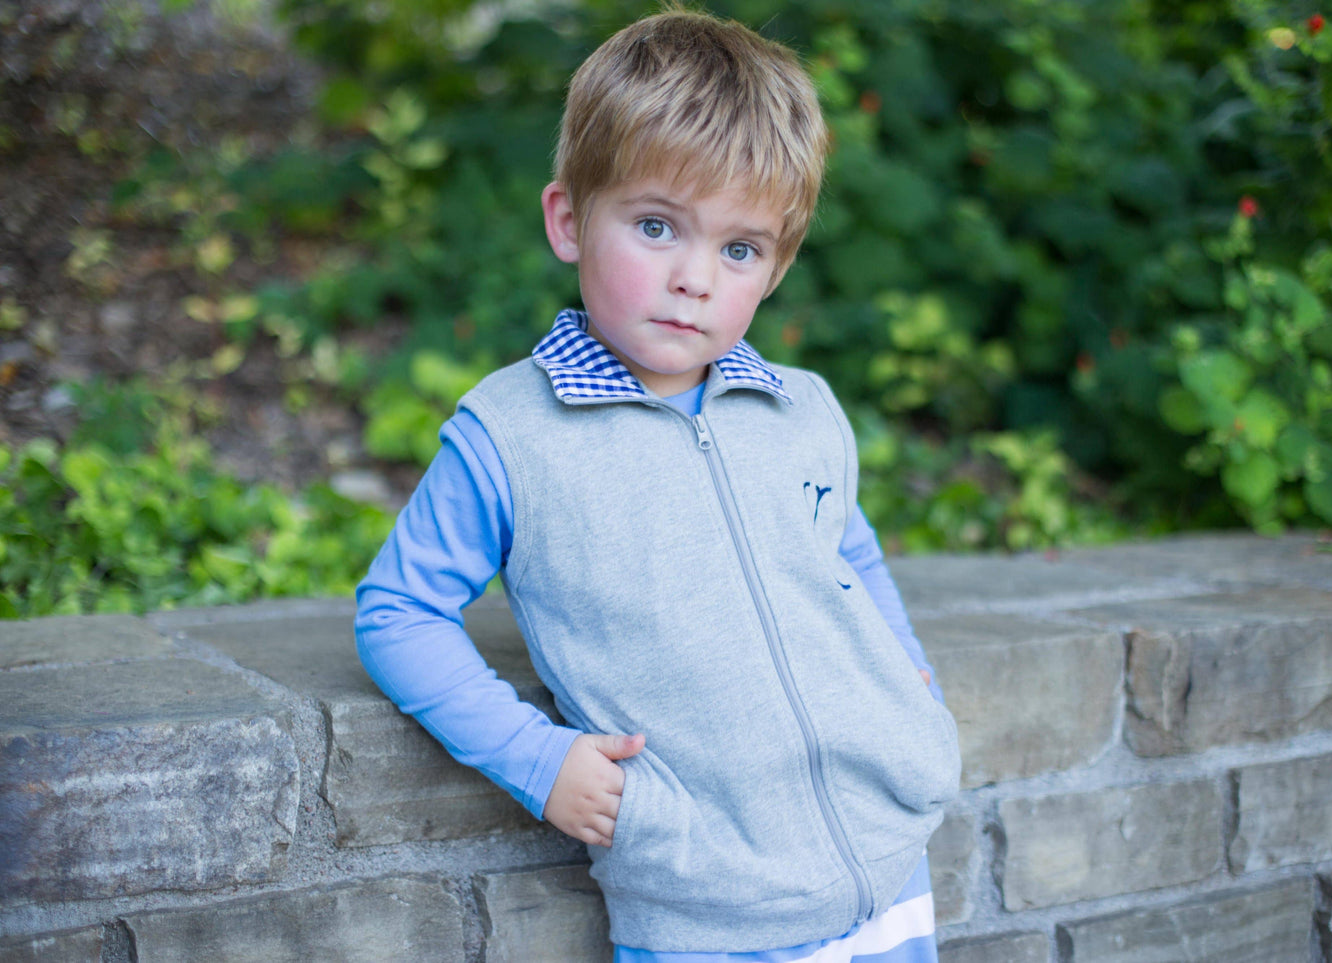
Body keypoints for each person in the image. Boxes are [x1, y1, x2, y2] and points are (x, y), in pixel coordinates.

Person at [354, 7, 961, 960]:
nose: (693, 277)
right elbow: (397, 612)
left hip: (888, 870)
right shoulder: (512, 435)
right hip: (705, 905)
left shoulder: (801, 412)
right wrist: (536, 757)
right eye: (653, 226)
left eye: (738, 249)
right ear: (568, 220)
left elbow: (850, 551)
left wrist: (907, 680)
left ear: (776, 266)